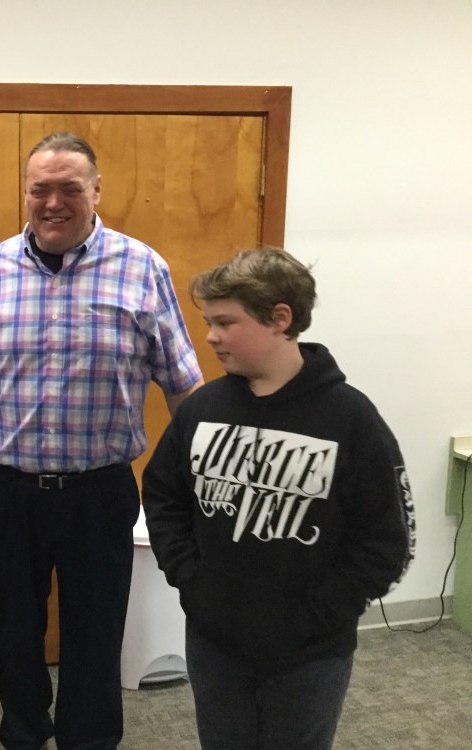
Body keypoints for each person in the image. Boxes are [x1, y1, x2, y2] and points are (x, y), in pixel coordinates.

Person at [0, 132, 203, 749]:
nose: (53, 202)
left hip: (99, 491)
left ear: (96, 191)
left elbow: (183, 384)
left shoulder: (142, 268)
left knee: (96, 632)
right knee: (14, 628)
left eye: (69, 188)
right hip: (9, 490)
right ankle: (25, 733)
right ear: (25, 193)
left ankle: (88, 741)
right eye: (41, 189)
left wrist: (195, 477)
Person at [141, 248, 416, 750]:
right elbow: (163, 498)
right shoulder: (202, 409)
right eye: (209, 322)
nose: (211, 336)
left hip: (309, 651)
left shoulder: (350, 419)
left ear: (280, 319)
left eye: (226, 322)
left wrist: (317, 614)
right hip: (213, 640)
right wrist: (192, 582)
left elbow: (386, 541)